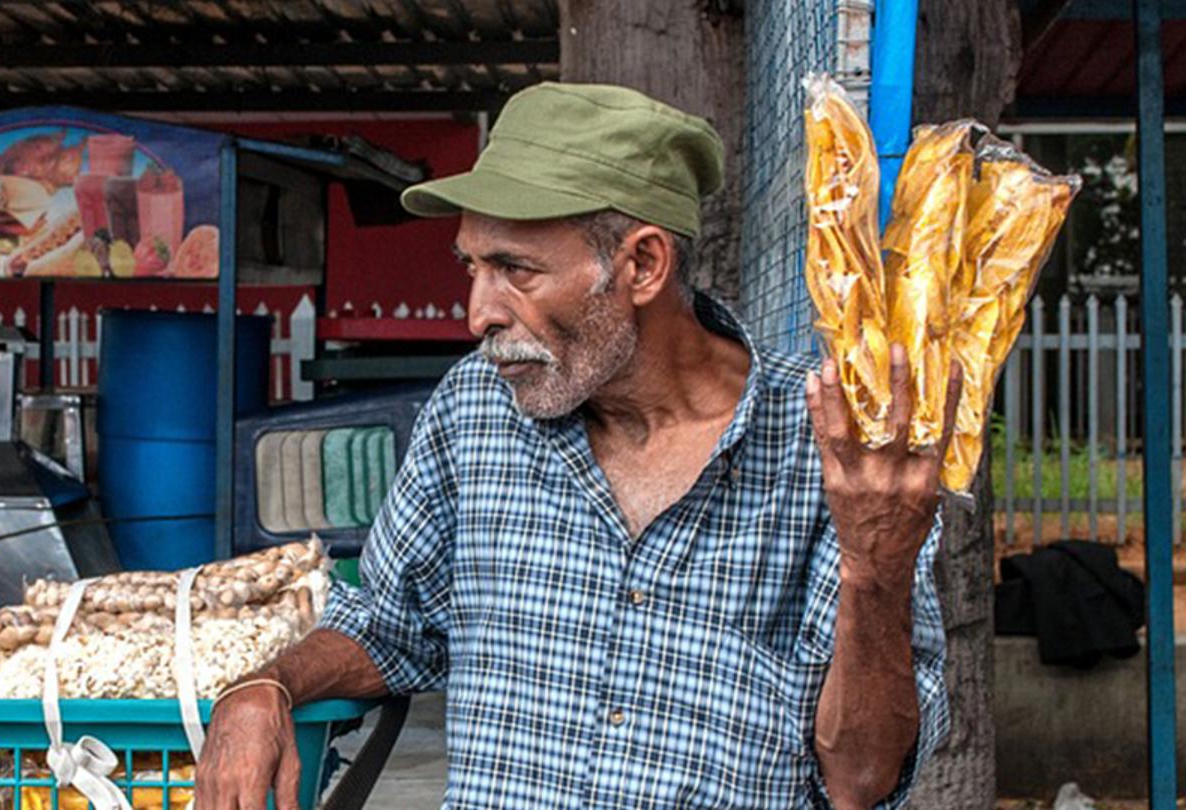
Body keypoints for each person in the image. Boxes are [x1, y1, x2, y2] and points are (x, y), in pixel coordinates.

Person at [195, 82, 957, 810]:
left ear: (643, 265)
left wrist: (875, 567)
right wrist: (263, 687)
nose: (476, 314)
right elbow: (391, 628)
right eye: (472, 266)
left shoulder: (834, 448)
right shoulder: (473, 412)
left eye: (514, 270)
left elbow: (861, 779)